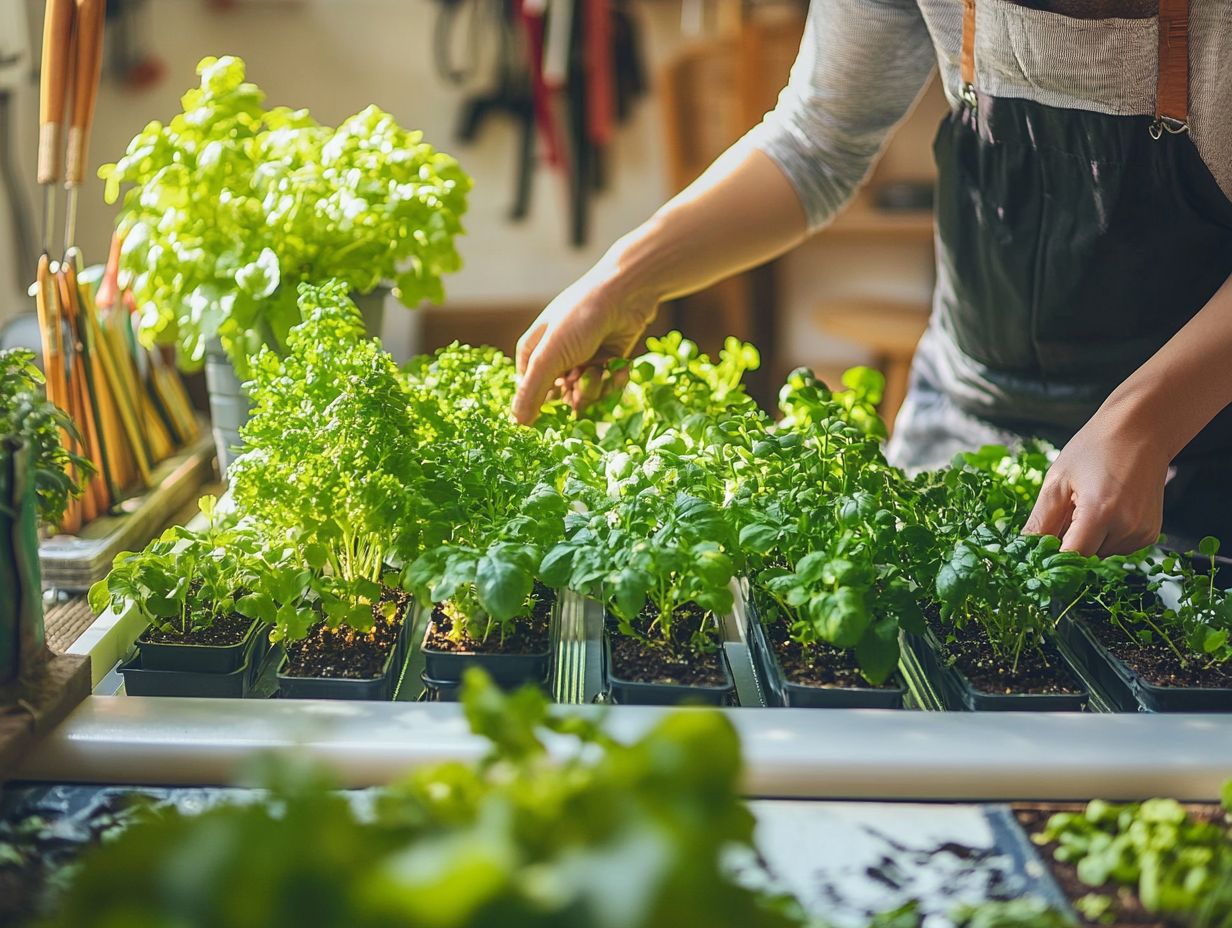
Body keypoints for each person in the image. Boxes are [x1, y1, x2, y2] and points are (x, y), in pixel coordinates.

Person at [510, 0, 1232, 557]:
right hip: (965, 414)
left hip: (1203, 452)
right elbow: (814, 141)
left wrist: (1145, 420)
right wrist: (624, 282)